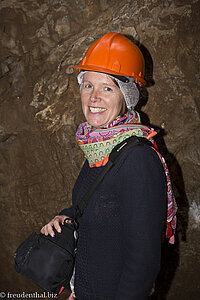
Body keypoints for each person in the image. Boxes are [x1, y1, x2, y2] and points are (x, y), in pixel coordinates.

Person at [41, 32, 177, 300]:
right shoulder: (98, 146)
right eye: (88, 85)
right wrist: (65, 216)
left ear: (126, 95)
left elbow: (143, 263)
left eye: (107, 87)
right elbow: (98, 206)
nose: (94, 97)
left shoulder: (137, 159)